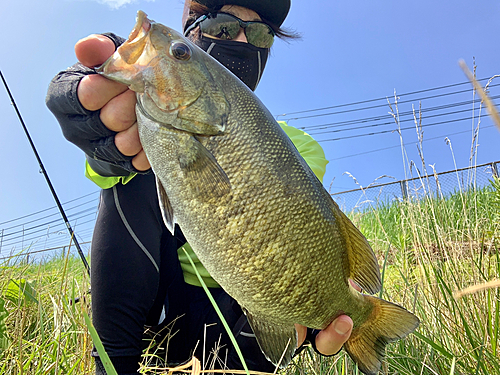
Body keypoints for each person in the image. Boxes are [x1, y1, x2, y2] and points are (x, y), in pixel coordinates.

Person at [46, 1, 356, 374]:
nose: (242, 40)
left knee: (291, 305)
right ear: (192, 30)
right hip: (160, 312)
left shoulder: (302, 148)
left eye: (260, 34)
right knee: (137, 172)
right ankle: (115, 367)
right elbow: (111, 169)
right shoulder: (146, 121)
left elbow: (308, 236)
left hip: (239, 317)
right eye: (224, 28)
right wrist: (103, 107)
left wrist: (333, 295)